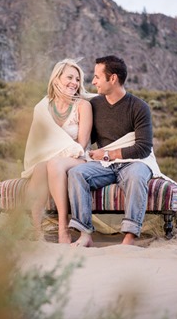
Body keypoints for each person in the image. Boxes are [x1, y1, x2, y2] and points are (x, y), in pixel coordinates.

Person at [68, 54, 161, 247]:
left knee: (136, 176)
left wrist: (109, 154)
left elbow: (143, 148)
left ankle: (129, 238)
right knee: (77, 174)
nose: (93, 82)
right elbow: (89, 138)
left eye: (97, 77)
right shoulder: (94, 105)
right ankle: (85, 234)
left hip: (134, 162)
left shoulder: (139, 107)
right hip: (105, 165)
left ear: (113, 78)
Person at [20, 58, 93, 243]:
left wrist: (60, 148)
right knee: (40, 168)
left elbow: (82, 145)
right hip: (50, 159)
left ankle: (63, 228)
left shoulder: (83, 106)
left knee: (54, 163)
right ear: (57, 78)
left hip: (77, 157)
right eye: (70, 77)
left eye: (78, 79)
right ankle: (36, 229)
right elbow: (38, 143)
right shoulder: (43, 107)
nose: (74, 83)